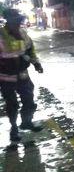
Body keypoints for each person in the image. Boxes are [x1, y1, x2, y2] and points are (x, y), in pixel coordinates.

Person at [0, 9, 44, 142]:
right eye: (16, 21)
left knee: (29, 100)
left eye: (19, 21)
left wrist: (36, 64)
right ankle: (14, 129)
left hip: (23, 74)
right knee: (12, 104)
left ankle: (26, 122)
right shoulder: (1, 35)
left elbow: (30, 49)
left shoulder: (22, 33)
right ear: (8, 21)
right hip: (6, 77)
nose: (19, 24)